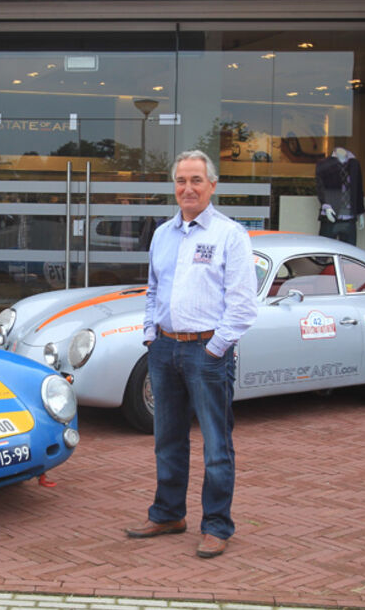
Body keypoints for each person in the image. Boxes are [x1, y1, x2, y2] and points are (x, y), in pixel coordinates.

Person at [125, 150, 258, 559]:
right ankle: (168, 513)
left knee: (217, 444)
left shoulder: (230, 235)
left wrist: (215, 349)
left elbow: (243, 306)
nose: (188, 188)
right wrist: (152, 336)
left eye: (196, 180)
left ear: (212, 186)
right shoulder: (163, 234)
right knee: (167, 439)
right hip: (164, 350)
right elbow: (152, 291)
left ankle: (216, 525)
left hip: (207, 352)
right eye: (181, 180)